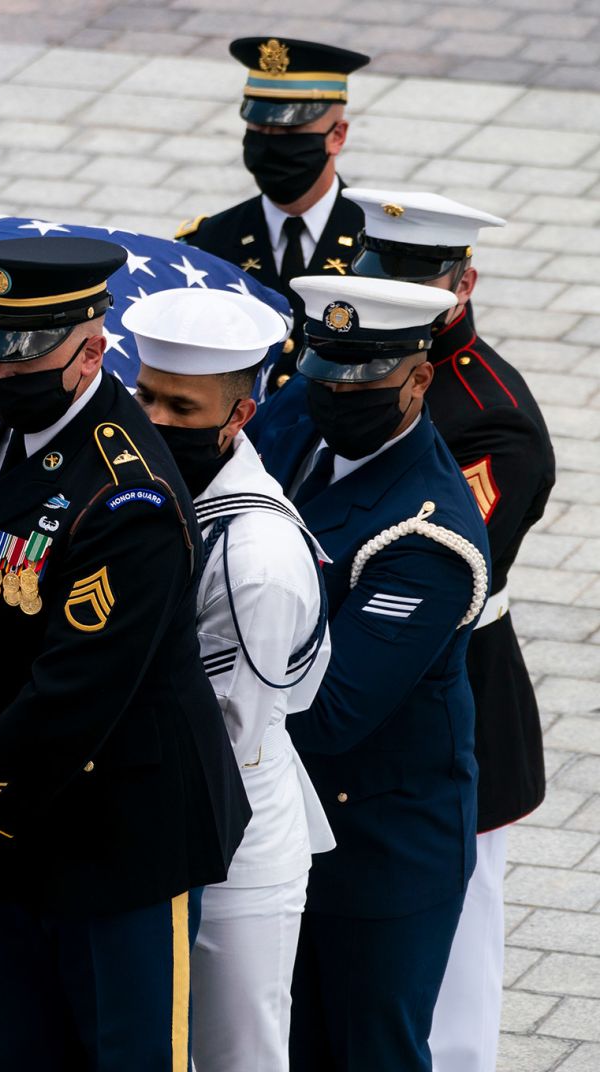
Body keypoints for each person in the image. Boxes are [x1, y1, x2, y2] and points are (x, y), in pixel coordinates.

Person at [0, 236, 251, 1070]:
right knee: (20, 1052)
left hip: (115, 831)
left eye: (26, 356)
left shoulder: (129, 494)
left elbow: (76, 688)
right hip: (8, 822)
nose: (2, 372)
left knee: (126, 1055)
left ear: (90, 351)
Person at [249, 274, 492, 1071]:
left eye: (363, 381)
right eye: (324, 372)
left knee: (366, 1050)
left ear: (419, 380)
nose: (334, 395)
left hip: (379, 843)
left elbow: (329, 711)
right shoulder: (301, 411)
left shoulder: (429, 536)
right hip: (289, 824)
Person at [339, 188, 557, 1072]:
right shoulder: (336, 367)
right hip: (348, 690)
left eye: (415, 279)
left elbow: (428, 576)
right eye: (377, 272)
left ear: (462, 283)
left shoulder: (490, 418)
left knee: (452, 970)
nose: (392, 296)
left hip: (453, 695)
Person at [126, 287, 335, 1072]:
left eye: (181, 407)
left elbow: (230, 730)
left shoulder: (256, 559)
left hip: (232, 834)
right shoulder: (170, 492)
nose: (155, 419)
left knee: (232, 1054)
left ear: (239, 416)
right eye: (145, 396)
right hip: (175, 818)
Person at [177, 37, 370, 389]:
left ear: (337, 136)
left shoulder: (379, 244)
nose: (270, 146)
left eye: (289, 132)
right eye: (259, 131)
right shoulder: (209, 242)